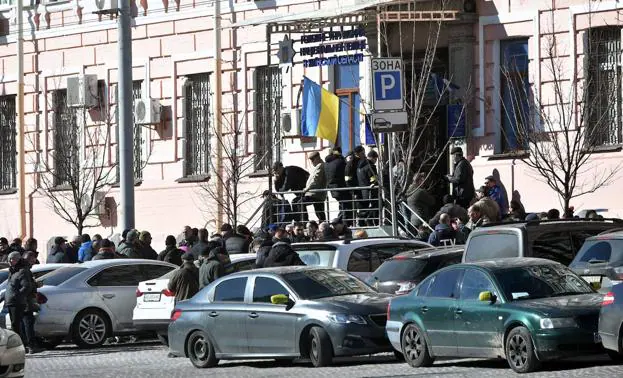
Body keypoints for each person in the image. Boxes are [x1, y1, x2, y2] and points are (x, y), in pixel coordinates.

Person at [5, 252, 32, 345]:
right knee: (14, 325)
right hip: (10, 301)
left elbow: (27, 286)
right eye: (8, 259)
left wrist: (17, 296)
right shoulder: (13, 270)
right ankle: (19, 344)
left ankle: (19, 345)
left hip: (17, 302)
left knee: (16, 325)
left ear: (17, 260)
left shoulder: (22, 271)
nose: (9, 261)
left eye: (11, 259)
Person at [293, 151, 327, 222]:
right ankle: (322, 223)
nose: (312, 162)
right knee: (319, 211)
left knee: (301, 203)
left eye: (312, 160)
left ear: (317, 158)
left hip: (315, 193)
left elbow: (315, 180)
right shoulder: (319, 166)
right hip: (315, 193)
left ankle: (305, 222)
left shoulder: (320, 166)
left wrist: (307, 189)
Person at [325, 147, 353, 224]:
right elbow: (346, 173)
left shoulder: (327, 163)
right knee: (347, 207)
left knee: (342, 206)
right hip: (341, 188)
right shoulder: (340, 161)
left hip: (332, 189)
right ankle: (344, 225)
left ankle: (338, 223)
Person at [21, 251, 42, 354]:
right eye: (33, 259)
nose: (34, 261)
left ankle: (28, 345)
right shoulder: (25, 270)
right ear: (29, 259)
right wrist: (36, 285)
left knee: (26, 324)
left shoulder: (22, 269)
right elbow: (27, 286)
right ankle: (31, 346)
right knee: (28, 324)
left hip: (23, 301)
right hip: (26, 301)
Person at [357, 150, 380, 226]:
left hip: (363, 191)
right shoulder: (371, 166)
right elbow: (373, 179)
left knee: (365, 208)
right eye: (375, 159)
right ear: (373, 158)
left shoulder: (360, 166)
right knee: (375, 207)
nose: (375, 161)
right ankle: (373, 222)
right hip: (371, 191)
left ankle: (362, 222)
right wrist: (375, 183)